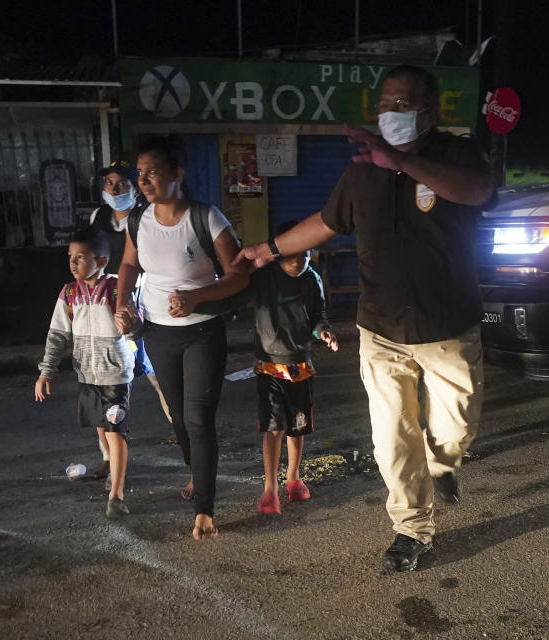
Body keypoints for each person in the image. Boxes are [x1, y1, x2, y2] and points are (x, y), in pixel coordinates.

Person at [234, 65, 494, 572]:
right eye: (386, 103)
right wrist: (267, 249)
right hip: (381, 328)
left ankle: (442, 465)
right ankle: (411, 529)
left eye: (404, 103)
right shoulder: (362, 168)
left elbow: (477, 193)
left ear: (431, 110)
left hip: (448, 327)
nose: (392, 112)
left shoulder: (457, 154)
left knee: (455, 429)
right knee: (392, 438)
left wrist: (398, 159)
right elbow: (327, 223)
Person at [114, 136, 250, 540]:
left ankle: (205, 508)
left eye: (152, 171)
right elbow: (127, 264)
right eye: (139, 172)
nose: (143, 180)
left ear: (177, 174)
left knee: (198, 418)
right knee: (179, 419)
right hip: (158, 334)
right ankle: (197, 476)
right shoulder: (138, 221)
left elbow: (239, 275)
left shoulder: (207, 218)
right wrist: (123, 304)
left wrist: (197, 297)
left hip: (203, 334)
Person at [34, 226, 138, 518]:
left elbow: (138, 321)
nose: (73, 262)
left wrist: (132, 323)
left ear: (101, 261)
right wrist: (46, 372)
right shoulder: (69, 293)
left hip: (115, 373)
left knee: (116, 430)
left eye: (81, 257)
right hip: (87, 375)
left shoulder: (118, 287)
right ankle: (108, 464)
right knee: (102, 428)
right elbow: (57, 335)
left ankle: (116, 494)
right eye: (71, 256)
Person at [86, 159, 171, 482]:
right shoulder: (99, 219)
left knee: (158, 374)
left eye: (122, 183)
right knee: (108, 386)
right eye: (109, 184)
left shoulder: (146, 217)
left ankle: (182, 429)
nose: (115, 189)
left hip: (144, 306)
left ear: (134, 187)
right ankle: (109, 457)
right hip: (106, 312)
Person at [246, 220, 339, 515]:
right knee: (273, 428)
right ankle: (270, 488)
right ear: (279, 252)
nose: (300, 261)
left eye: (306, 254)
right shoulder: (262, 277)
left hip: (301, 366)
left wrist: (323, 331)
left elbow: (318, 315)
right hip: (269, 367)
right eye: (294, 255)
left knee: (297, 428)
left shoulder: (312, 278)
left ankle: (294, 478)